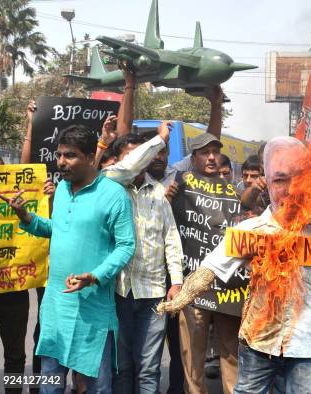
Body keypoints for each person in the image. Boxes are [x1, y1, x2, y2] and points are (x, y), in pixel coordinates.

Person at [158, 136, 311, 393]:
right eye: (280, 180)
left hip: (307, 346)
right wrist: (180, 299)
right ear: (266, 183)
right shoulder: (249, 232)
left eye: (297, 178)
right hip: (258, 344)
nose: (289, 189)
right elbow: (209, 270)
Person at [0, 125, 136, 393]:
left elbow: (126, 245)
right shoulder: (61, 189)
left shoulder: (114, 194)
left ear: (88, 156)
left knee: (99, 386)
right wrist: (26, 217)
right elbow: (57, 229)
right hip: (56, 307)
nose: (61, 162)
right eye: (59, 154)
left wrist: (95, 275)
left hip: (92, 309)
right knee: (51, 383)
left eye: (69, 155)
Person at [167, 132, 241, 394]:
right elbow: (168, 232)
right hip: (193, 286)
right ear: (193, 157)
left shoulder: (233, 191)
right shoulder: (179, 186)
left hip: (227, 288)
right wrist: (168, 198)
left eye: (215, 152)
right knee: (192, 357)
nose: (211, 157)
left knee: (231, 354)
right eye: (204, 152)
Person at [111, 133, 184, 394]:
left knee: (148, 368)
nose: (137, 162)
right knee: (121, 366)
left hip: (153, 293)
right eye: (131, 156)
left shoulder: (159, 193)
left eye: (141, 154)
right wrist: (160, 137)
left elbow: (171, 239)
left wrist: (176, 282)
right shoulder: (111, 187)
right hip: (119, 291)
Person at [0, 154, 30, 394]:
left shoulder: (21, 202)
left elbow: (39, 224)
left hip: (14, 290)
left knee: (15, 356)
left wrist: (46, 195)